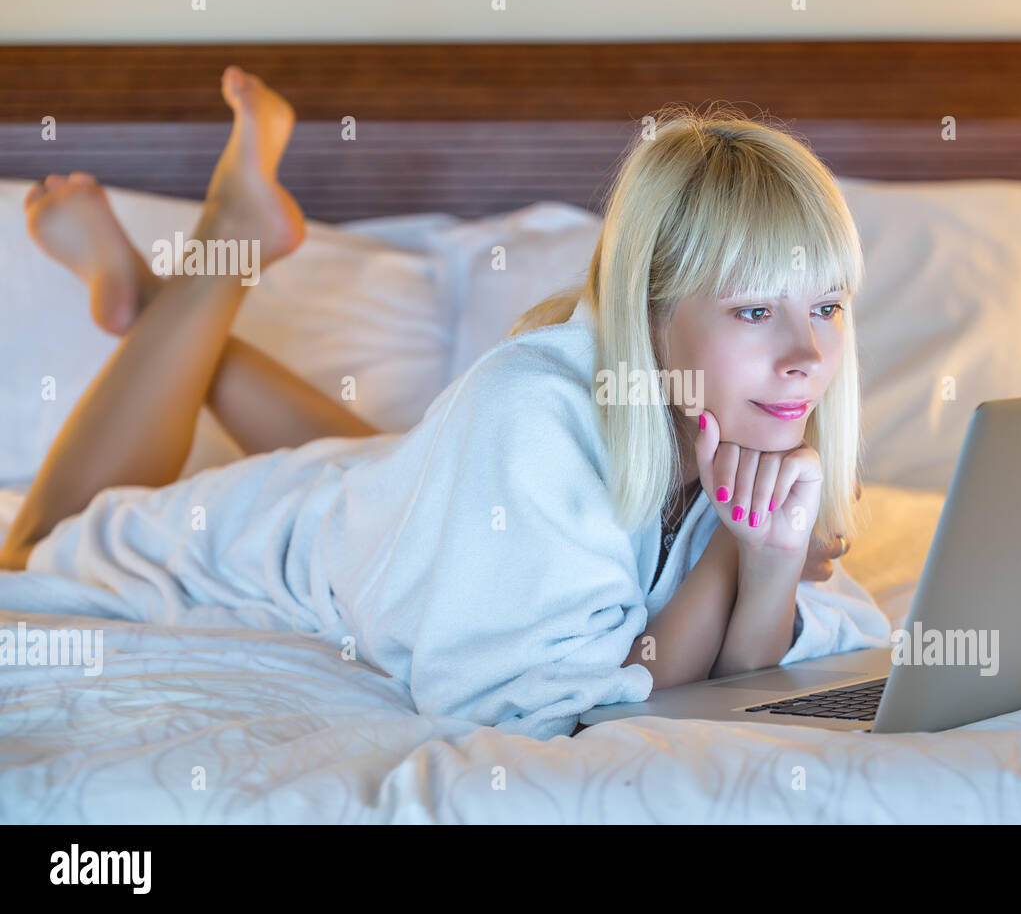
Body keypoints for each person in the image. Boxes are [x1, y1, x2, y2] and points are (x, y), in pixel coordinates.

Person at [0, 68, 881, 739]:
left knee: (387, 462)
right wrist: (733, 556)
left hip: (397, 490)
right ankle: (226, 242)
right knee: (37, 543)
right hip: (301, 533)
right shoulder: (529, 415)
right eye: (756, 311)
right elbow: (596, 698)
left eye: (828, 307)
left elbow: (744, 669)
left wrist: (760, 563)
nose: (807, 356)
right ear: (647, 311)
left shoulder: (742, 423)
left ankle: (156, 301)